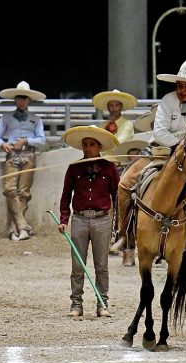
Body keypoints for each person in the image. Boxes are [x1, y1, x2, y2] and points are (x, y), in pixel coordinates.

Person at [111, 58, 186, 254]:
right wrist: (180, 144)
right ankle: (124, 234)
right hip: (160, 151)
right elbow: (159, 133)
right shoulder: (167, 101)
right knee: (124, 183)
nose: (182, 90)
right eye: (180, 85)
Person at [58, 125, 120, 318]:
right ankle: (76, 304)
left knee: (101, 265)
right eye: (85, 144)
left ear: (99, 146)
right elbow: (66, 196)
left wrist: (118, 222)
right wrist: (64, 219)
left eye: (91, 144)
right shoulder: (74, 168)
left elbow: (117, 196)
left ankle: (103, 303)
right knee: (78, 264)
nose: (87, 148)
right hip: (79, 219)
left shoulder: (110, 168)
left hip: (102, 219)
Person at [0, 81, 46, 241]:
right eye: (19, 98)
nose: (22, 101)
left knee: (23, 192)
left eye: (24, 98)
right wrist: (3, 144)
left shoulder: (36, 119)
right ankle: (22, 225)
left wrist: (26, 141)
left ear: (29, 100)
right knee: (10, 189)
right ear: (16, 100)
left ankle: (14, 228)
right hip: (12, 154)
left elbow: (42, 140)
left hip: (28, 154)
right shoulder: (6, 117)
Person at [108, 136, 148, 267]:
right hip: (130, 195)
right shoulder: (123, 170)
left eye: (137, 154)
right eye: (132, 154)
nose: (135, 156)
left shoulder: (147, 164)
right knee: (128, 210)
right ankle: (124, 239)